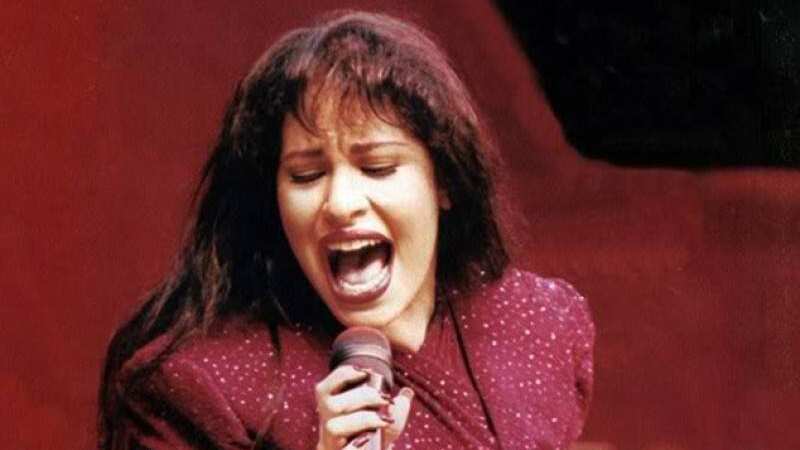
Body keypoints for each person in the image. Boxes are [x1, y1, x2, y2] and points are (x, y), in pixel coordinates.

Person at [99, 10, 595, 450]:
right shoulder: (198, 384)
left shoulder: (540, 322)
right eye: (306, 175)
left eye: (377, 167)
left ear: (443, 180)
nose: (339, 204)